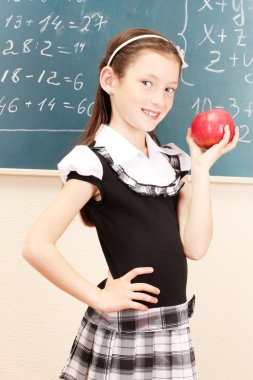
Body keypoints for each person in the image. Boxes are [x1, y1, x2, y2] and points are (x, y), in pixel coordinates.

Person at [22, 27, 239, 380]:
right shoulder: (94, 162)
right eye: (147, 83)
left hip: (172, 327)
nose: (159, 99)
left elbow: (196, 247)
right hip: (127, 331)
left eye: (169, 88)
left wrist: (201, 168)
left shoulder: (173, 162)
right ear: (110, 79)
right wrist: (99, 296)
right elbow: (36, 245)